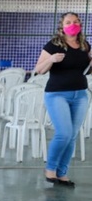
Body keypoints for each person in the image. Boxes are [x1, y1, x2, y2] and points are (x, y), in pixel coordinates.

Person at [34, 12, 91, 187]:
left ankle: (62, 172)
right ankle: (50, 169)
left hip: (80, 94)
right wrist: (51, 59)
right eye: (68, 22)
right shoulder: (53, 45)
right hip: (57, 94)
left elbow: (86, 70)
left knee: (72, 136)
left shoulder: (84, 45)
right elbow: (39, 70)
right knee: (64, 133)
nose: (72, 24)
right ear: (62, 26)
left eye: (76, 21)